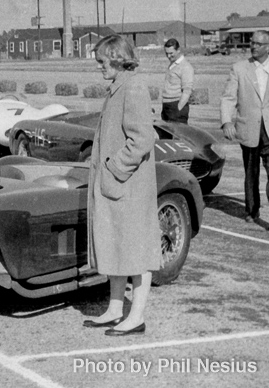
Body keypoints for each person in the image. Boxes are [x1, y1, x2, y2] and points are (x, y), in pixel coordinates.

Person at [83, 35, 159, 336]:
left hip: (129, 187)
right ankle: (116, 309)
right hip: (119, 187)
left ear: (116, 58)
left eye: (102, 62)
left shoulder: (134, 87)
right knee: (116, 246)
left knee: (137, 252)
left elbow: (142, 138)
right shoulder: (118, 87)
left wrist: (114, 168)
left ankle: (136, 317)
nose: (99, 67)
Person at [221, 30, 269, 230]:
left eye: (259, 44)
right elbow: (228, 98)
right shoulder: (239, 68)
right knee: (251, 173)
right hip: (248, 128)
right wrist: (226, 122)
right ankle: (252, 211)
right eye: (252, 43)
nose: (253, 46)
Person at [161, 38, 194, 123]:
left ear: (178, 50)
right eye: (166, 53)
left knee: (178, 135)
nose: (168, 56)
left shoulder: (185, 67)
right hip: (167, 106)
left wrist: (178, 109)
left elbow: (187, 90)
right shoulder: (172, 65)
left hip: (176, 107)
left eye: (171, 53)